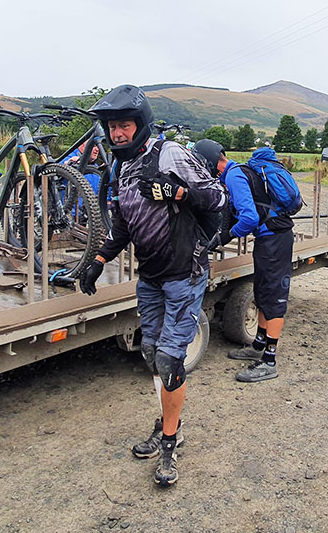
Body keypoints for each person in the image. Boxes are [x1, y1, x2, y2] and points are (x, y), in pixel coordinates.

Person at [77, 86, 227, 487]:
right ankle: (167, 423)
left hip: (184, 274)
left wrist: (179, 191)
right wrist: (99, 261)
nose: (117, 133)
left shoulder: (170, 154)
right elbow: (123, 224)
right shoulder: (121, 167)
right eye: (112, 127)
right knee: (150, 352)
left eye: (124, 125)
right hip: (152, 277)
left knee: (170, 359)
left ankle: (170, 444)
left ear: (141, 124)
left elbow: (217, 197)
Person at [192, 138, 295, 383]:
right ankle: (258, 345)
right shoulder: (239, 171)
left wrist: (226, 236)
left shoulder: (234, 177)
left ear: (209, 162)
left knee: (274, 299)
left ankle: (269, 361)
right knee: (262, 293)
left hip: (275, 240)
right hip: (269, 239)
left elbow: (249, 218)